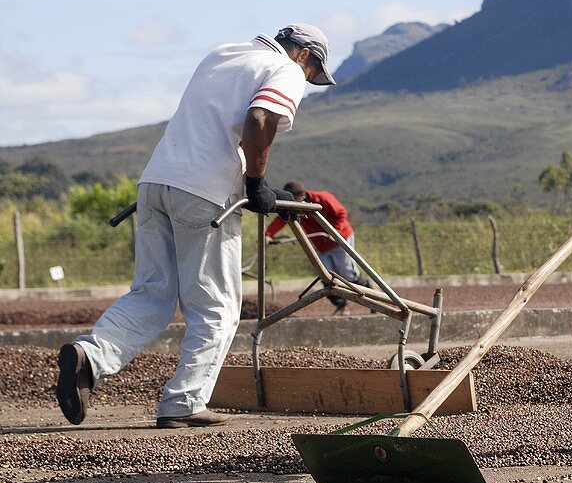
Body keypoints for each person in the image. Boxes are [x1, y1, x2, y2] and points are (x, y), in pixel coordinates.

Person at [56, 24, 336, 428]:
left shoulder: (223, 53)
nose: (307, 83)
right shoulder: (287, 70)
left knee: (153, 293)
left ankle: (90, 357)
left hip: (155, 183)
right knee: (217, 307)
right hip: (205, 194)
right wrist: (257, 185)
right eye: (312, 76)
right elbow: (260, 119)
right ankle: (184, 402)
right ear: (305, 55)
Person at [265, 181, 365, 313]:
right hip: (321, 245)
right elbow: (280, 220)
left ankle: (370, 294)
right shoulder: (292, 207)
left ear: (302, 196)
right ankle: (341, 305)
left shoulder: (323, 198)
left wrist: (334, 232)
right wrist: (269, 234)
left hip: (340, 240)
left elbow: (341, 214)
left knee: (347, 273)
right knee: (326, 275)